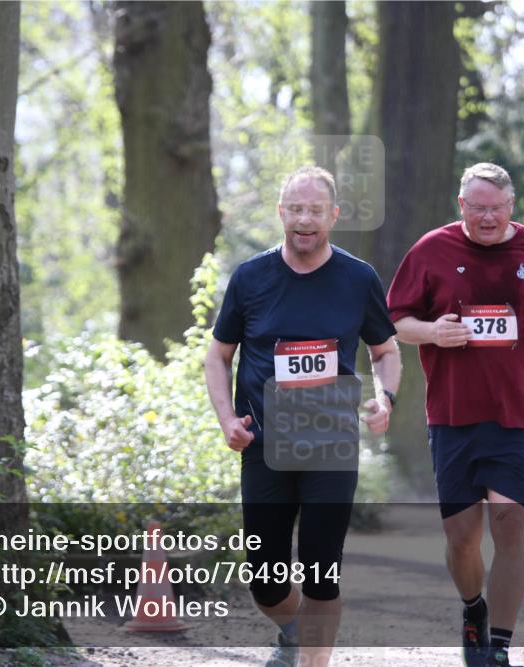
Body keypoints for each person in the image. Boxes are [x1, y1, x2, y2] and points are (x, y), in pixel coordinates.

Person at [205, 165, 401, 667]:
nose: (305, 220)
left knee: (321, 573)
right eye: (296, 209)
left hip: (332, 446)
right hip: (265, 446)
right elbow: (218, 355)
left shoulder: (358, 279)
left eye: (315, 210)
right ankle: (295, 632)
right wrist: (227, 418)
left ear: (333, 216)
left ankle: (314, 658)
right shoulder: (251, 277)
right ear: (281, 213)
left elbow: (385, 350)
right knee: (265, 583)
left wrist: (386, 398)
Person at [386, 163, 524, 667]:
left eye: (496, 208)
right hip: (453, 415)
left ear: (511, 207)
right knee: (462, 538)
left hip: (519, 413)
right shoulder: (430, 250)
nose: (487, 217)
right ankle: (474, 608)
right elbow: (396, 321)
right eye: (477, 208)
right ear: (460, 205)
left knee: (509, 524)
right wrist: (432, 333)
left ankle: (499, 647)